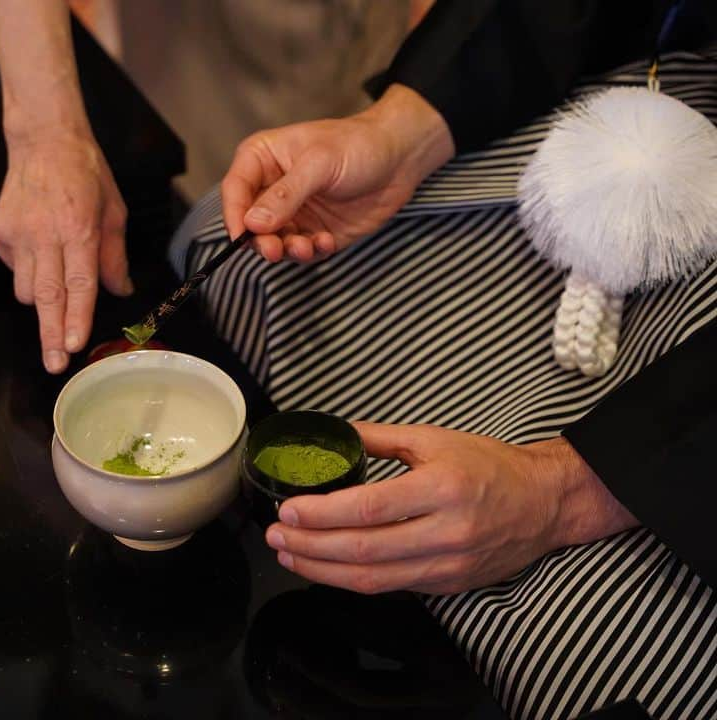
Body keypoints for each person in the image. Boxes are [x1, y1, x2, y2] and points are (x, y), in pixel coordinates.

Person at [168, 1, 714, 717]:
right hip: (655, 110)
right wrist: (399, 129)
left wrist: (565, 492)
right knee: (237, 254)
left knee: (573, 647)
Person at [0, 0, 417, 374]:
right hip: (180, 37)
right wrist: (46, 133)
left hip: (342, 56)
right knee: (202, 170)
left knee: (315, 183)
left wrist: (407, 117)